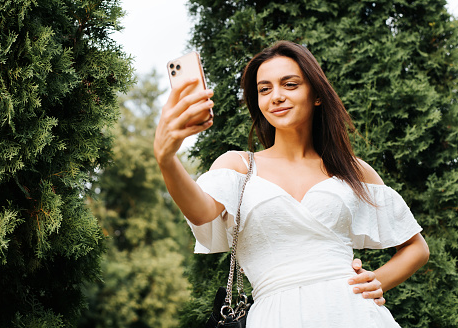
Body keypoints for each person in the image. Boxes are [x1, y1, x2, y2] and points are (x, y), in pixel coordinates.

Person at [154, 41, 429, 327]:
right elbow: (200, 212)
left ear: (316, 95)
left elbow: (416, 247)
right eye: (264, 89)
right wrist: (167, 159)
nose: (276, 96)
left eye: (290, 84)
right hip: (275, 315)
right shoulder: (238, 166)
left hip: (355, 313)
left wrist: (378, 280)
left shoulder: (352, 170)